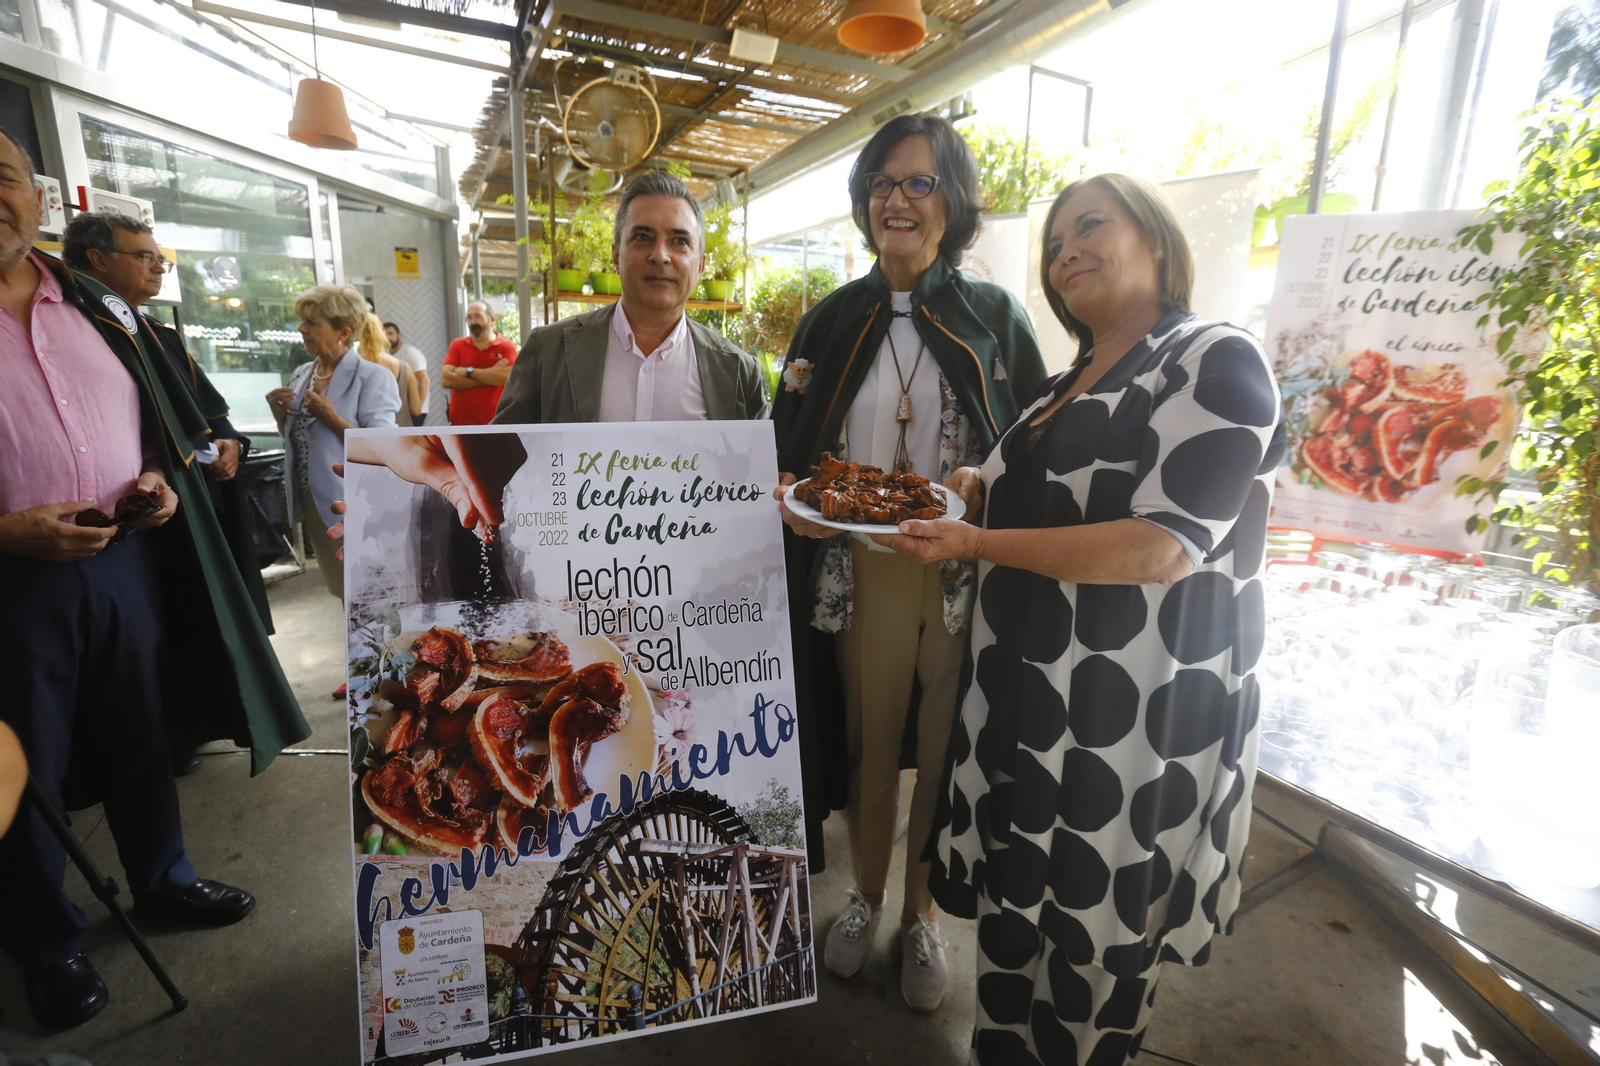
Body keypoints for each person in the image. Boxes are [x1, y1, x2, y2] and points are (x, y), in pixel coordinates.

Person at [874, 174, 1285, 1064]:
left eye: (1090, 226)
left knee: (1093, 956)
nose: (1066, 252)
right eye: (1056, 242)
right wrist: (980, 484)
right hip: (1029, 710)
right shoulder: (1063, 383)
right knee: (1016, 937)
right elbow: (1020, 482)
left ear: (1160, 245)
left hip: (1123, 724)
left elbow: (1161, 546)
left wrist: (975, 543)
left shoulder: (1214, 358)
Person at [0, 126, 307, 1030]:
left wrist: (159, 482)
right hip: (11, 586)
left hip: (125, 560)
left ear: (38, 196)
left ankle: (163, 880)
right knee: (24, 771)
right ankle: (44, 942)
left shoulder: (99, 307)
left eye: (3, 175)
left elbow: (163, 426)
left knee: (141, 730)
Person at [771, 113, 1046, 1012]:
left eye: (920, 183)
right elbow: (788, 449)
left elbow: (1036, 446)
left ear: (953, 202)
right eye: (883, 184)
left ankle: (923, 911)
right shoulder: (831, 316)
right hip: (864, 573)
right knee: (869, 741)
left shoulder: (996, 317)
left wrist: (983, 485)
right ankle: (865, 897)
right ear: (864, 201)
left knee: (942, 745)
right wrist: (795, 504)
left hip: (962, 571)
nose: (898, 200)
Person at [60, 210, 273, 636]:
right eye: (145, 257)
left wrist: (232, 446)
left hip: (197, 501)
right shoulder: (72, 332)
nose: (159, 268)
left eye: (162, 260)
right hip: (127, 523)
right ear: (98, 259)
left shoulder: (161, 335)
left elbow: (213, 421)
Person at [493, 169, 768, 425]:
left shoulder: (738, 373)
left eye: (680, 241)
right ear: (615, 256)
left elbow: (764, 469)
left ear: (701, 265)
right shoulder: (548, 353)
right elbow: (496, 465)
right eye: (642, 237)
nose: (660, 255)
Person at [266, 284, 400, 606]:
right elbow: (300, 435)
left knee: (367, 592)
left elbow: (383, 449)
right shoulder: (302, 373)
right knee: (343, 590)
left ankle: (380, 654)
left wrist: (333, 418)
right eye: (303, 321)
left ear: (344, 332)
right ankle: (365, 654)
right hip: (315, 503)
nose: (302, 329)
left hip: (352, 504)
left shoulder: (373, 378)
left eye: (312, 322)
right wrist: (278, 413)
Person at [442, 300, 516, 425]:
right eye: (469, 318)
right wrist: (491, 374)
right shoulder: (457, 345)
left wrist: (467, 372)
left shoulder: (506, 346)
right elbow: (446, 379)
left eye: (477, 316)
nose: (473, 322)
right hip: (461, 424)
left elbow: (507, 377)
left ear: (492, 319)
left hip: (497, 423)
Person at [359, 312, 420, 428]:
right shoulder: (403, 367)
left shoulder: (355, 364)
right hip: (400, 437)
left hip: (362, 437)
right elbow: (416, 410)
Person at [385, 320, 430, 423]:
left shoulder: (411, 353)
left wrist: (417, 409)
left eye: (390, 333)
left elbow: (424, 381)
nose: (387, 337)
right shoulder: (387, 355)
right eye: (384, 334)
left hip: (414, 410)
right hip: (400, 409)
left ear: (399, 335)